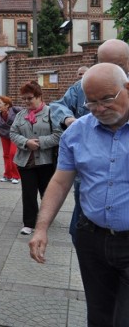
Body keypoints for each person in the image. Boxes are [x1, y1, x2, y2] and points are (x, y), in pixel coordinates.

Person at [29, 63, 129, 327]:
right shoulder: (76, 132)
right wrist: (41, 228)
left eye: (107, 99)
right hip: (91, 239)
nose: (99, 108)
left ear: (127, 88)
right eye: (91, 102)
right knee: (98, 316)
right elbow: (60, 183)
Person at [50, 39, 129, 243]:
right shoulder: (82, 86)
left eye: (118, 65)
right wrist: (69, 120)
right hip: (88, 174)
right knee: (86, 218)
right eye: (104, 63)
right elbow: (58, 106)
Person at [9, 81, 61, 236]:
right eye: (24, 99)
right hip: (25, 161)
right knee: (28, 192)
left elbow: (59, 135)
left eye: (29, 98)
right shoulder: (20, 115)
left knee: (46, 192)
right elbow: (13, 133)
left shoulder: (52, 113)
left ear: (39, 96)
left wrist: (39, 143)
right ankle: (29, 223)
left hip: (46, 161)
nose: (26, 102)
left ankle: (46, 218)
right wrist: (26, 142)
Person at [0, 96, 22, 184]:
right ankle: (7, 175)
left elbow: (25, 113)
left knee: (12, 154)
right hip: (4, 136)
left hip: (15, 135)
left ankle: (16, 176)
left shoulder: (15, 110)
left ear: (7, 105)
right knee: (6, 155)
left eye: (0, 103)